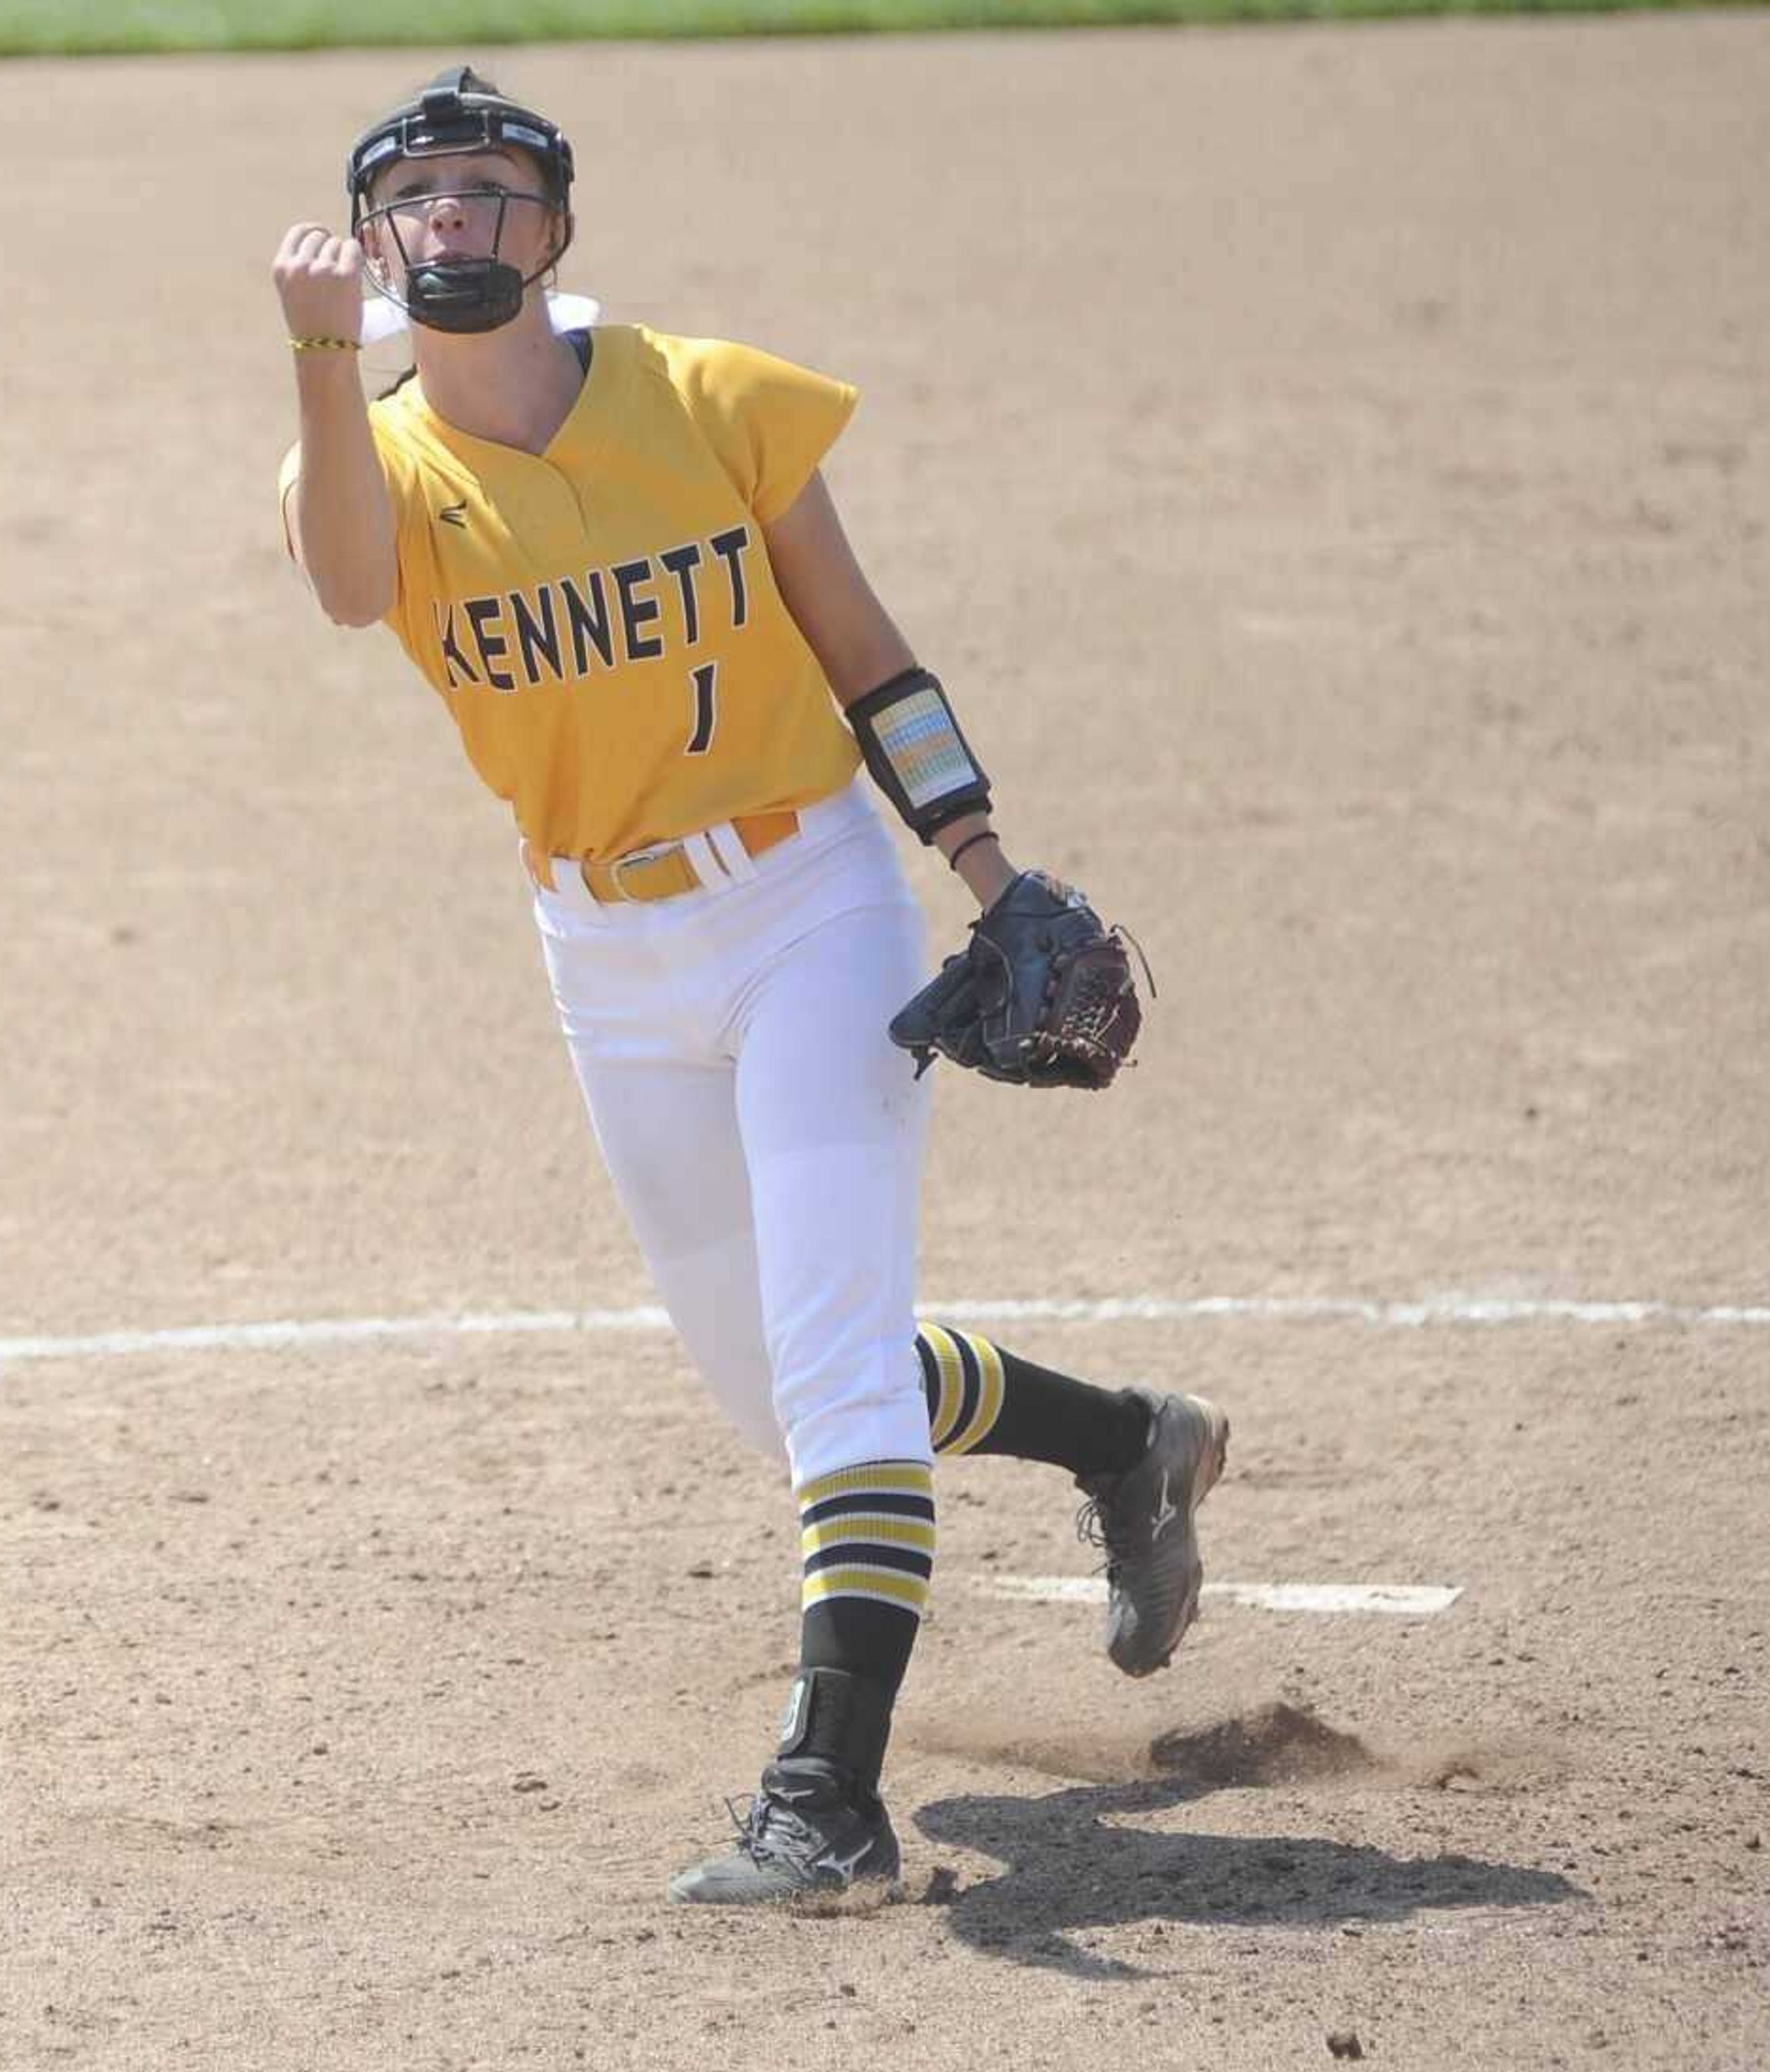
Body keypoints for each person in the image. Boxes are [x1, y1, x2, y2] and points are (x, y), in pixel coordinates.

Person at [270, 68, 1231, 1906]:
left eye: (495, 192)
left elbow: (868, 658)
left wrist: (988, 871)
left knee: (839, 1369)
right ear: (381, 244)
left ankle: (824, 1803)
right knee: (790, 1393)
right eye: (425, 200)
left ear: (554, 229)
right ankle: (1131, 1442)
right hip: (604, 954)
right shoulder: (370, 452)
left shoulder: (706, 400)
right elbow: (339, 590)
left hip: (809, 909)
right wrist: (322, 361)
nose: (460, 222)